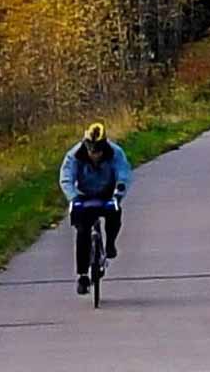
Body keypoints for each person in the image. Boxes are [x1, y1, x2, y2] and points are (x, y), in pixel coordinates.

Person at [59, 122, 132, 295]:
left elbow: (123, 175)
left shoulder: (116, 153)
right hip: (82, 194)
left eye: (98, 151)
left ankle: (110, 244)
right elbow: (66, 178)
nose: (95, 155)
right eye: (91, 151)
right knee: (82, 231)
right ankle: (83, 275)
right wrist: (73, 198)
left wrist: (117, 195)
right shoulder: (74, 155)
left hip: (107, 192)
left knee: (114, 213)